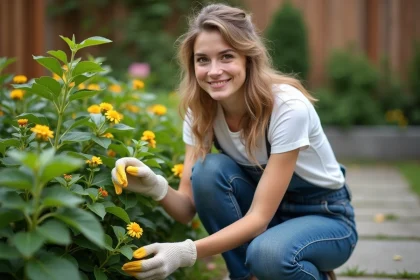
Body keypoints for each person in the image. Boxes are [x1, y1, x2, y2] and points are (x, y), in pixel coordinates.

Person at [111, 3, 358, 280]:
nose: (214, 71)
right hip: (266, 216)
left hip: (325, 217)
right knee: (207, 171)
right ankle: (246, 276)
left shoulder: (287, 107)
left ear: (247, 58)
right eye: (202, 59)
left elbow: (259, 218)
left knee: (269, 255)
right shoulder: (201, 111)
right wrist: (154, 186)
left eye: (226, 56)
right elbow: (186, 210)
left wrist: (186, 252)